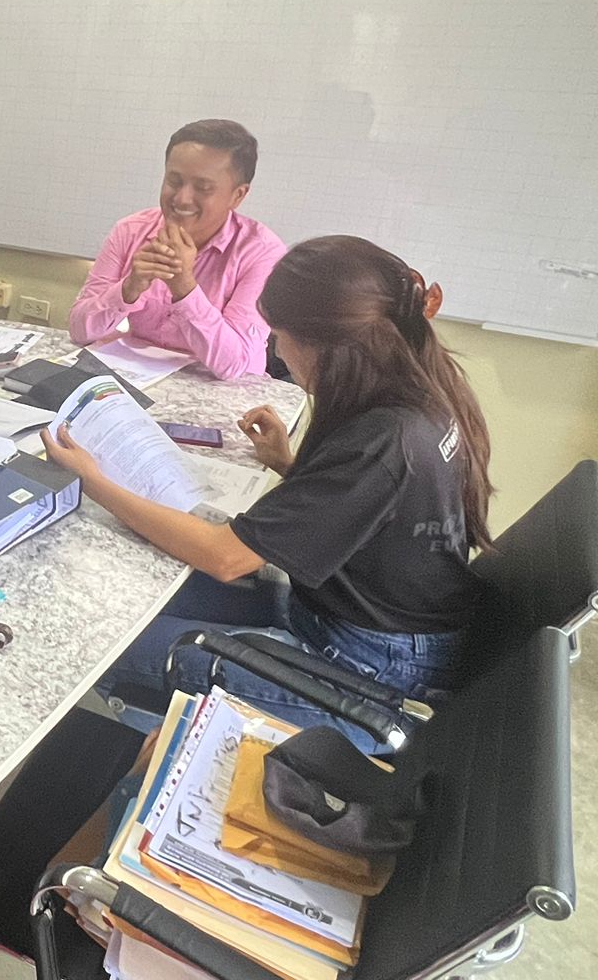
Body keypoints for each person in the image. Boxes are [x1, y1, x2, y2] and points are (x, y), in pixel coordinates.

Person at [45, 237, 493, 746]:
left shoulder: (383, 440)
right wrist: (290, 464)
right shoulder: (419, 392)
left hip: (371, 670)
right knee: (129, 595)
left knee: (98, 647)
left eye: (280, 336)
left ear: (328, 346)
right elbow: (375, 507)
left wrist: (95, 482)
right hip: (365, 624)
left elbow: (225, 557)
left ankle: (142, 746)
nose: (276, 352)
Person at [67, 119, 286, 379]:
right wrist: (129, 289)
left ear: (238, 195)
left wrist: (184, 287)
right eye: (174, 181)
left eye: (203, 188)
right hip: (141, 379)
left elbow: (234, 365)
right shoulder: (130, 230)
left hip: (222, 393)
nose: (182, 199)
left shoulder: (262, 253)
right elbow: (79, 331)